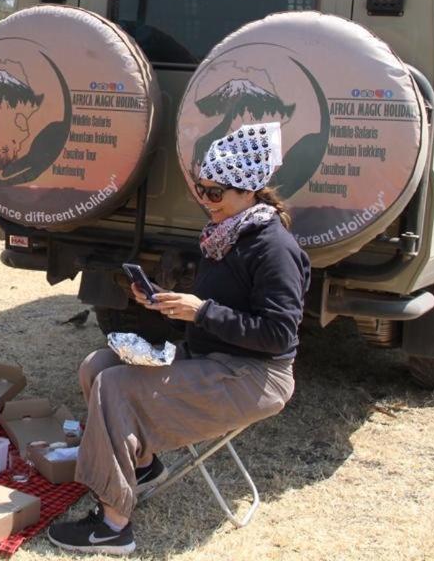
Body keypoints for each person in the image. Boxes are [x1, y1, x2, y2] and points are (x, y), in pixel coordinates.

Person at [48, 122, 310, 555]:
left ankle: (112, 526)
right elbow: (208, 318)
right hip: (209, 358)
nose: (206, 202)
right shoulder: (224, 237)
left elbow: (278, 333)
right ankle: (145, 466)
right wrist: (165, 306)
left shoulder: (273, 248)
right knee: (98, 366)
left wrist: (202, 310)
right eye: (202, 191)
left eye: (215, 193)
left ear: (247, 190)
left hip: (255, 375)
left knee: (116, 386)